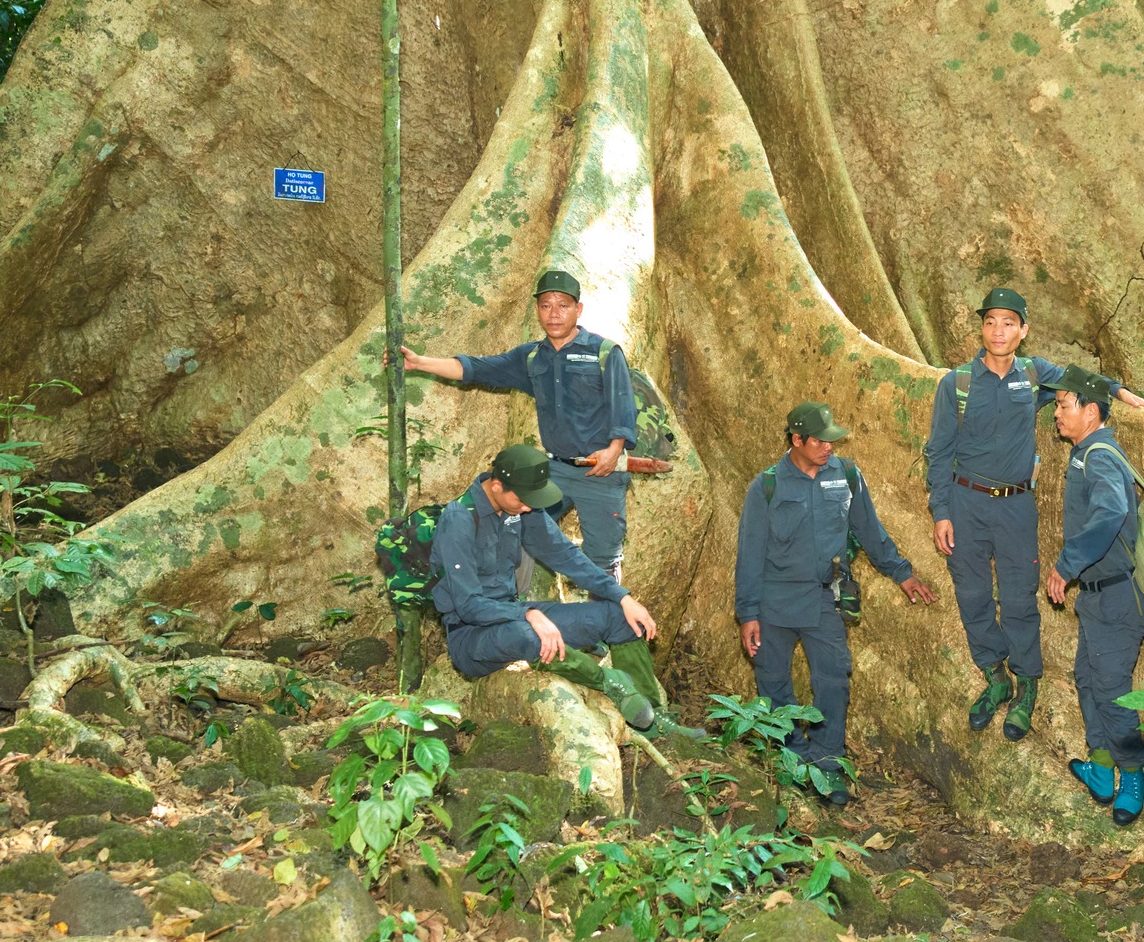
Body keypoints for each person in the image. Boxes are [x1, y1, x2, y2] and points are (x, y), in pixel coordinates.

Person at [923, 287, 1144, 742]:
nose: (998, 330)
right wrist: (941, 511)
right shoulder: (957, 383)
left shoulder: (1033, 374)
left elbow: (1082, 380)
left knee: (1020, 598)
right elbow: (938, 451)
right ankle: (994, 676)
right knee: (972, 596)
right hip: (966, 503)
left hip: (1015, 506)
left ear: (1023, 331)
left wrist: (1124, 394)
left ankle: (1026, 685)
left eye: (1009, 322)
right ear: (982, 329)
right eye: (990, 322)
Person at [735, 402, 937, 804]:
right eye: (821, 441)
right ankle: (793, 760)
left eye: (832, 440)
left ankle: (828, 765)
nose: (829, 447)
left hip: (824, 598)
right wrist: (748, 614)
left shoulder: (845, 476)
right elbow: (749, 553)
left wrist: (902, 573)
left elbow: (869, 530)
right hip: (774, 600)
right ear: (797, 440)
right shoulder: (768, 486)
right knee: (773, 682)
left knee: (833, 680)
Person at [428, 443, 699, 739]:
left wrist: (622, 596)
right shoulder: (459, 520)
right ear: (496, 486)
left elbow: (565, 555)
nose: (529, 508)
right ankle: (611, 684)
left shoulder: (520, 506)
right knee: (528, 636)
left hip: (517, 615)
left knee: (619, 618)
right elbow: (468, 605)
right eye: (523, 500)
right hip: (471, 637)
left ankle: (657, 722)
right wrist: (529, 613)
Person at [401, 268, 638, 589]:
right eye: (545, 305)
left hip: (601, 471)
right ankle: (515, 613)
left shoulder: (603, 352)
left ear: (578, 309)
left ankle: (606, 630)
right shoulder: (530, 358)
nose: (554, 313)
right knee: (519, 528)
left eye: (563, 305)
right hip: (555, 469)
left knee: (603, 560)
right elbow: (475, 368)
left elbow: (623, 403)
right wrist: (421, 362)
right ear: (537, 310)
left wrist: (614, 449)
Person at [1043, 365, 1144, 826]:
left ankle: (1132, 775)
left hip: (1117, 596)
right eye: (1055, 407)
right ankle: (1102, 768)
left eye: (1064, 407)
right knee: (1088, 679)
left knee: (1111, 691)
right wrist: (1120, 389)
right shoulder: (1087, 450)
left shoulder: (1100, 455)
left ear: (1091, 412)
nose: (1056, 415)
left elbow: (1110, 513)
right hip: (1096, 596)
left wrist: (1065, 566)